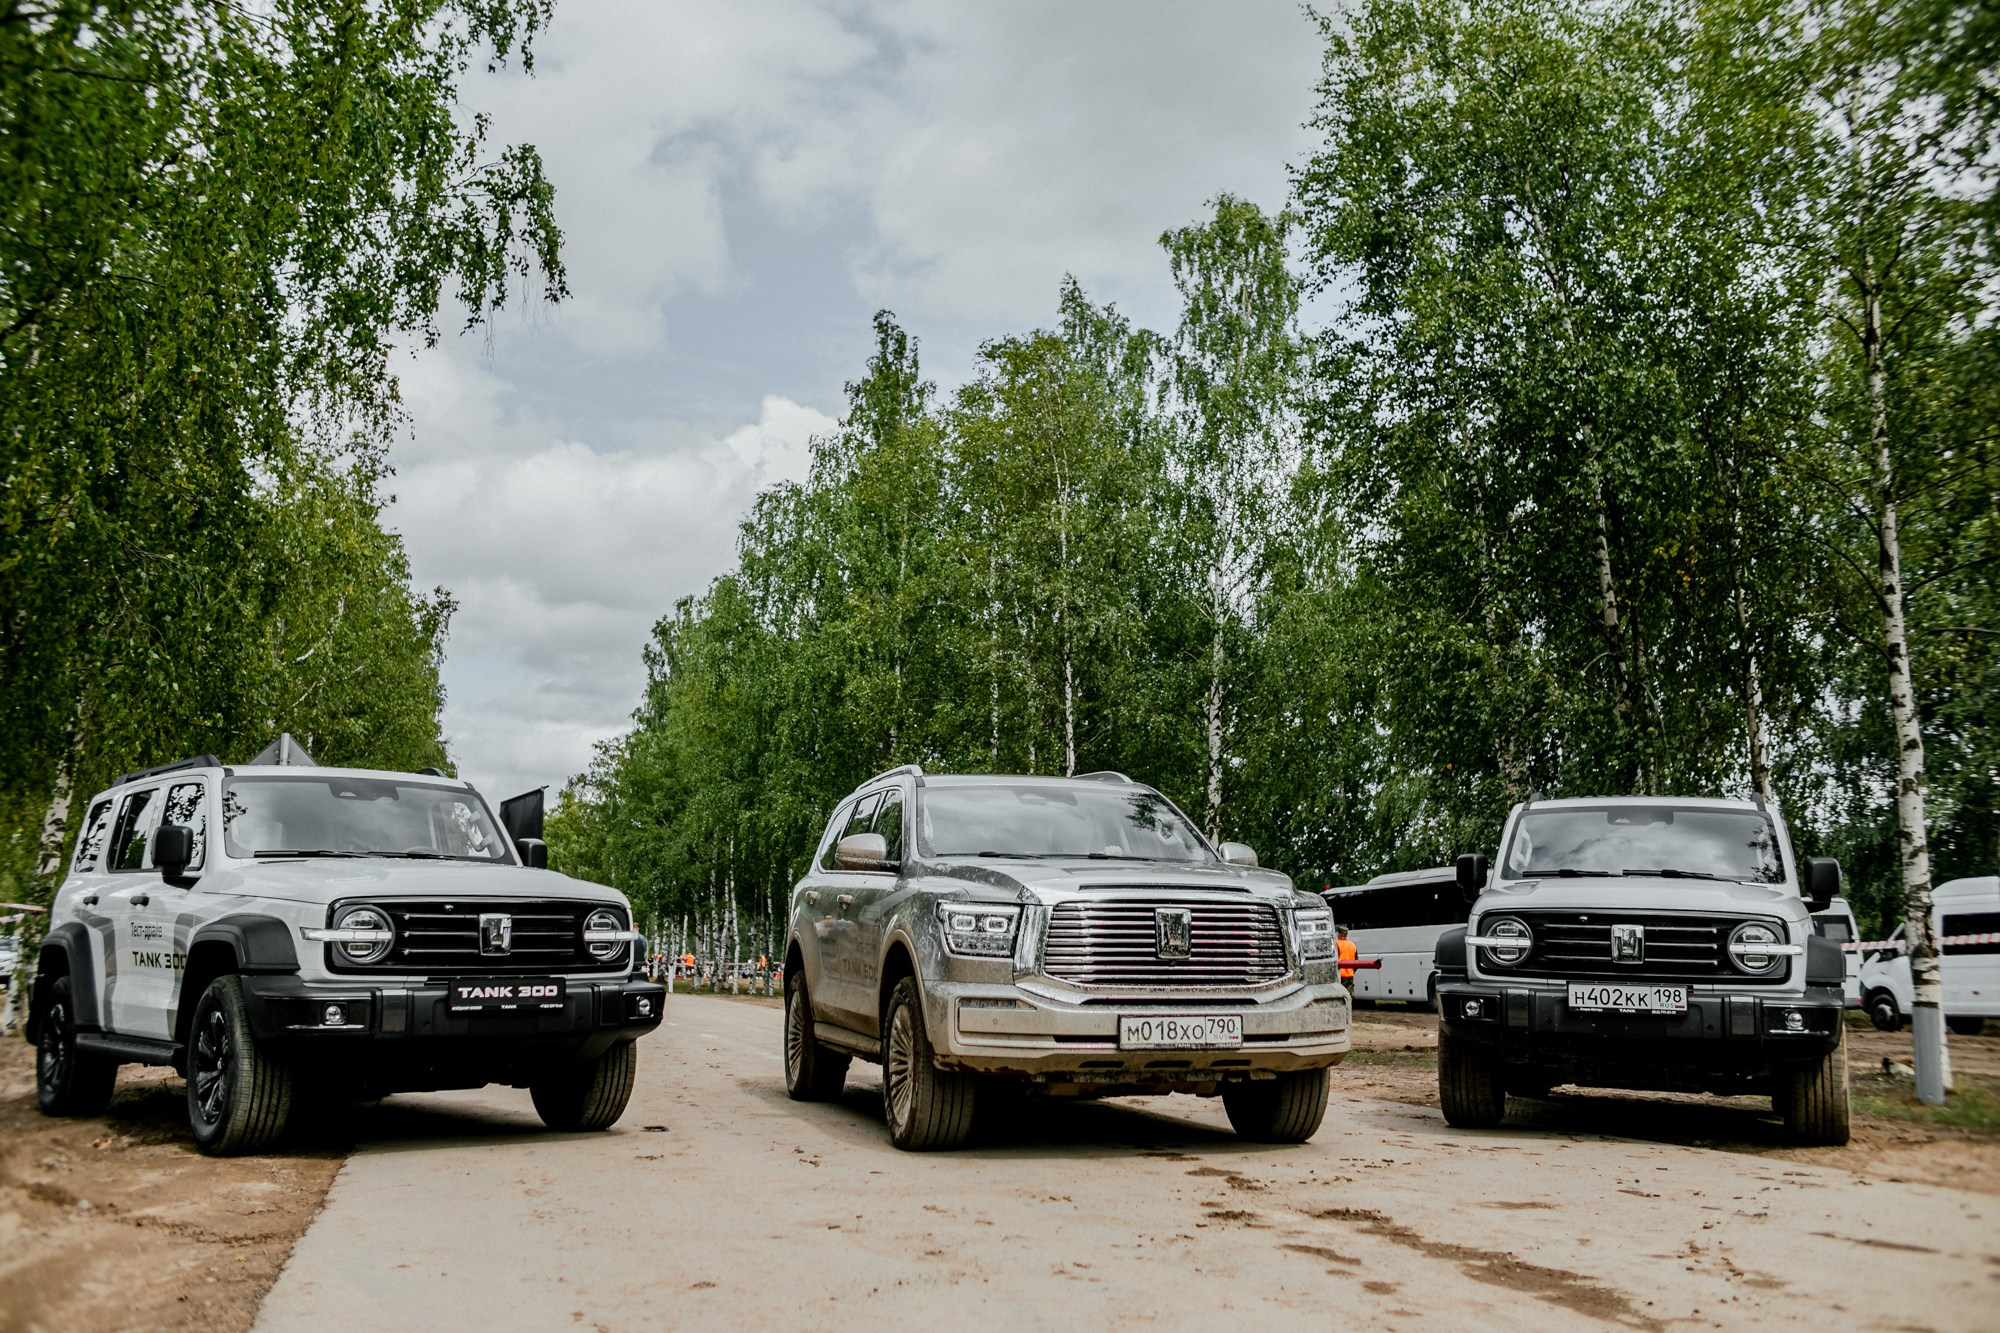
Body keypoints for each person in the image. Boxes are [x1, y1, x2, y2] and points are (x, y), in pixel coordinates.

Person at [1336, 927, 1357, 991]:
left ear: (1338, 934)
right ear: (1346, 935)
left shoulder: (1336, 944)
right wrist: (1351, 971)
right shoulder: (1352, 944)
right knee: (1349, 996)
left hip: (1340, 976)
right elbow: (1356, 961)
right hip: (1350, 975)